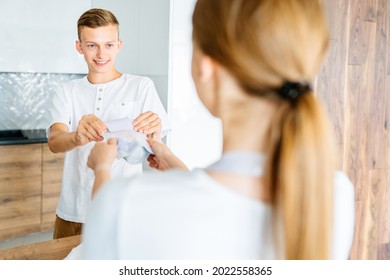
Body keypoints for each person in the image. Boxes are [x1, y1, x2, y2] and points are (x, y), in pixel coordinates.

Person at [82, 0, 355, 259]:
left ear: (205, 68)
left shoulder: (127, 204)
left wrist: (102, 169)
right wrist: (177, 167)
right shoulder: (335, 194)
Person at [47, 8, 170, 239]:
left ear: (119, 45)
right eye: (92, 45)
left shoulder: (141, 86)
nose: (101, 53)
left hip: (122, 211)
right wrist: (77, 136)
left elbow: (156, 146)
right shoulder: (66, 91)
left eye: (109, 45)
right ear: (79, 47)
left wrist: (156, 128)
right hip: (72, 213)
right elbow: (54, 141)